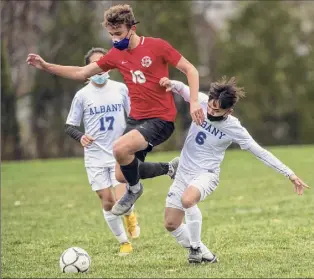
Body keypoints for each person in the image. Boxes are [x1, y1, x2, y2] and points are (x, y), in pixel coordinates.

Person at [26, 4, 204, 216]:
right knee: (120, 174)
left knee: (119, 149)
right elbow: (82, 73)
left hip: (160, 120)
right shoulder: (115, 55)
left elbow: (190, 70)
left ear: (132, 29)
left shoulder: (157, 46)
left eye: (119, 34)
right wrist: (47, 66)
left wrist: (193, 102)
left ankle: (134, 190)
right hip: (136, 120)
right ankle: (169, 169)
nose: (115, 39)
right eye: (111, 35)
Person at [159, 77, 310, 264]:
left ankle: (196, 248)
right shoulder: (203, 101)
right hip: (182, 171)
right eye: (211, 107)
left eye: (218, 110)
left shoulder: (234, 128)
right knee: (171, 224)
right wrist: (169, 83)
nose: (212, 112)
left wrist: (289, 173)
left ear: (229, 111)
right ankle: (206, 255)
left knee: (188, 200)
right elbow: (182, 88)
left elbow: (260, 152)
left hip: (206, 174)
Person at [65, 47, 179, 256]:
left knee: (121, 200)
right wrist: (80, 136)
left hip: (119, 153)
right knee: (107, 202)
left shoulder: (121, 89)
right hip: (94, 156)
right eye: (95, 65)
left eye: (103, 63)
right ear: (88, 68)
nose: (100, 70)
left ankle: (129, 215)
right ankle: (124, 242)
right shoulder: (82, 96)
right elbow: (69, 125)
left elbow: (135, 115)